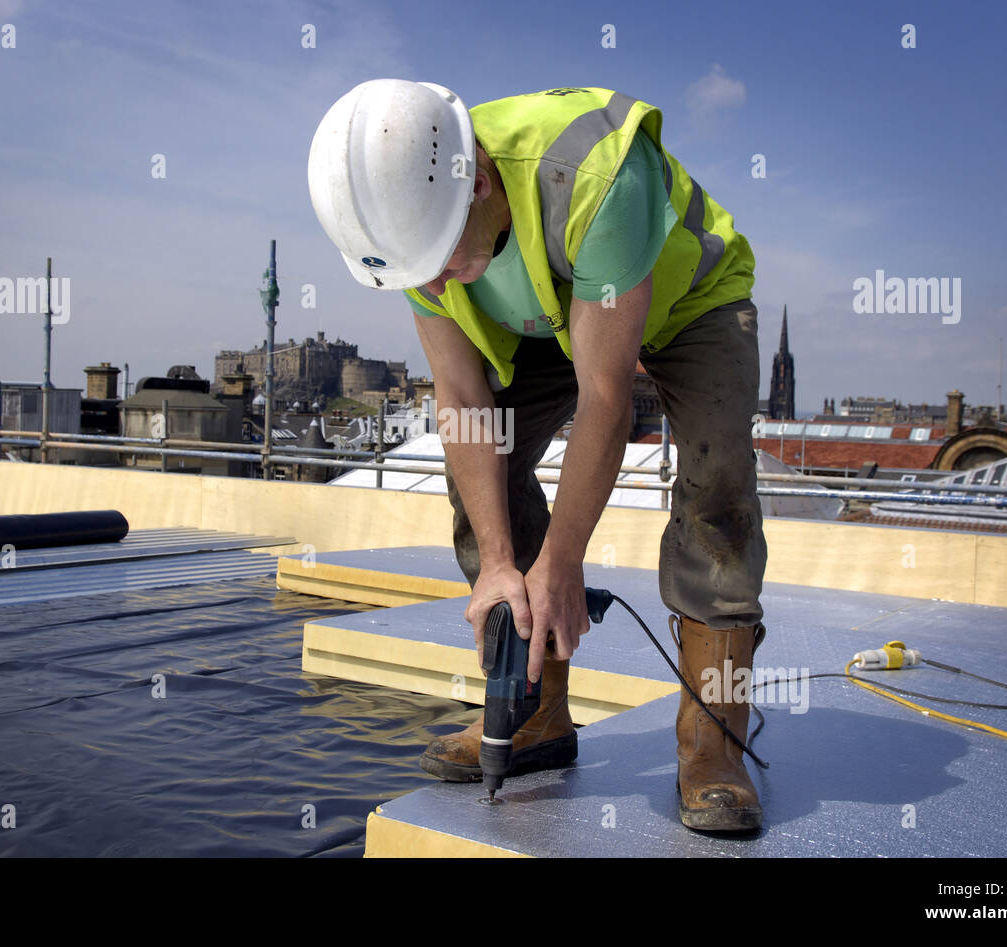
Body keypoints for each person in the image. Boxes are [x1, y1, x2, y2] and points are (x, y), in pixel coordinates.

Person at [308, 80, 769, 831]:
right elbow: (463, 403)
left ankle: (714, 745)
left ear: (481, 183)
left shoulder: (593, 173)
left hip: (690, 299)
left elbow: (605, 395)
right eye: (413, 273)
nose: (430, 288)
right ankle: (536, 714)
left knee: (717, 490)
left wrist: (560, 562)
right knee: (484, 468)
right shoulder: (417, 224)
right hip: (548, 313)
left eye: (441, 264)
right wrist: (499, 561)